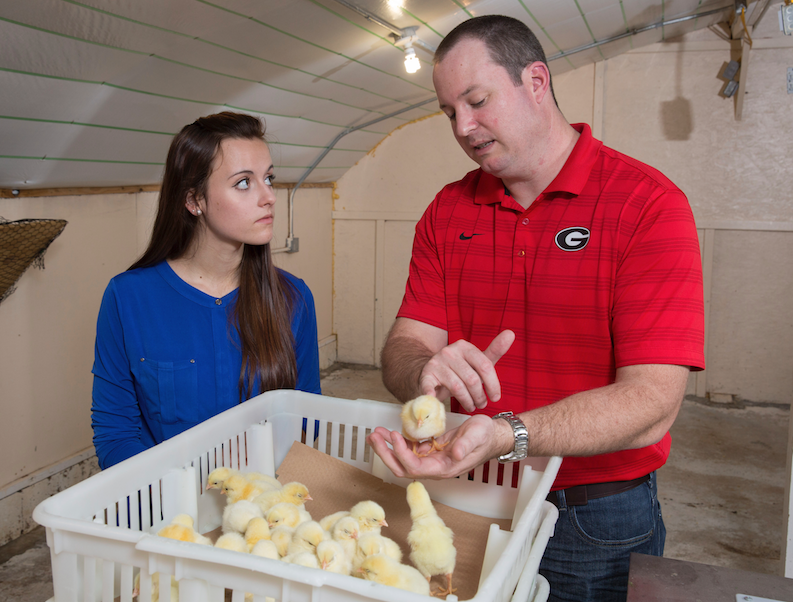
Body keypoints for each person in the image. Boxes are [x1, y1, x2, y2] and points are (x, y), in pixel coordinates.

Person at [366, 15, 704, 602]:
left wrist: (509, 433)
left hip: (591, 516)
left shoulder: (647, 207)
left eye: (477, 101)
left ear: (537, 81)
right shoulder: (448, 212)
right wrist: (422, 371)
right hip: (468, 490)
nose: (464, 128)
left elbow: (652, 402)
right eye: (450, 112)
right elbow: (402, 346)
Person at [91, 111, 321, 470]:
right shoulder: (128, 298)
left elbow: (309, 417)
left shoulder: (293, 297)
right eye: (244, 183)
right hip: (167, 510)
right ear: (194, 200)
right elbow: (115, 433)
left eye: (269, 179)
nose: (269, 197)